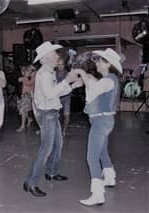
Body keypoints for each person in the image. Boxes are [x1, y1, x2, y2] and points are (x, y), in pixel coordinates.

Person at [23, 41, 79, 197]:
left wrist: (72, 85)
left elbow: (55, 92)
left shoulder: (49, 71)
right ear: (46, 58)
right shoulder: (45, 73)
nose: (57, 57)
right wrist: (68, 80)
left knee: (57, 145)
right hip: (47, 114)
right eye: (54, 54)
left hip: (51, 112)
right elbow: (50, 94)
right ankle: (31, 182)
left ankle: (51, 172)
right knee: (45, 149)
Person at [72, 48, 122, 206]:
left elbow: (93, 89)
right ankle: (109, 176)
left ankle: (98, 194)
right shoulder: (108, 79)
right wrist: (83, 78)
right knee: (102, 151)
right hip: (103, 121)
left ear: (108, 64)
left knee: (91, 157)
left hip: (101, 122)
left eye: (100, 61)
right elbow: (94, 87)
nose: (98, 63)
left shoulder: (109, 80)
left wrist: (81, 72)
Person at [55, 58, 71, 136]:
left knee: (66, 115)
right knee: (55, 115)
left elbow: (69, 86)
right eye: (58, 64)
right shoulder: (54, 74)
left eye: (61, 64)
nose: (60, 66)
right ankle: (56, 130)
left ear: (64, 65)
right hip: (57, 97)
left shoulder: (68, 74)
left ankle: (64, 130)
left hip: (66, 97)